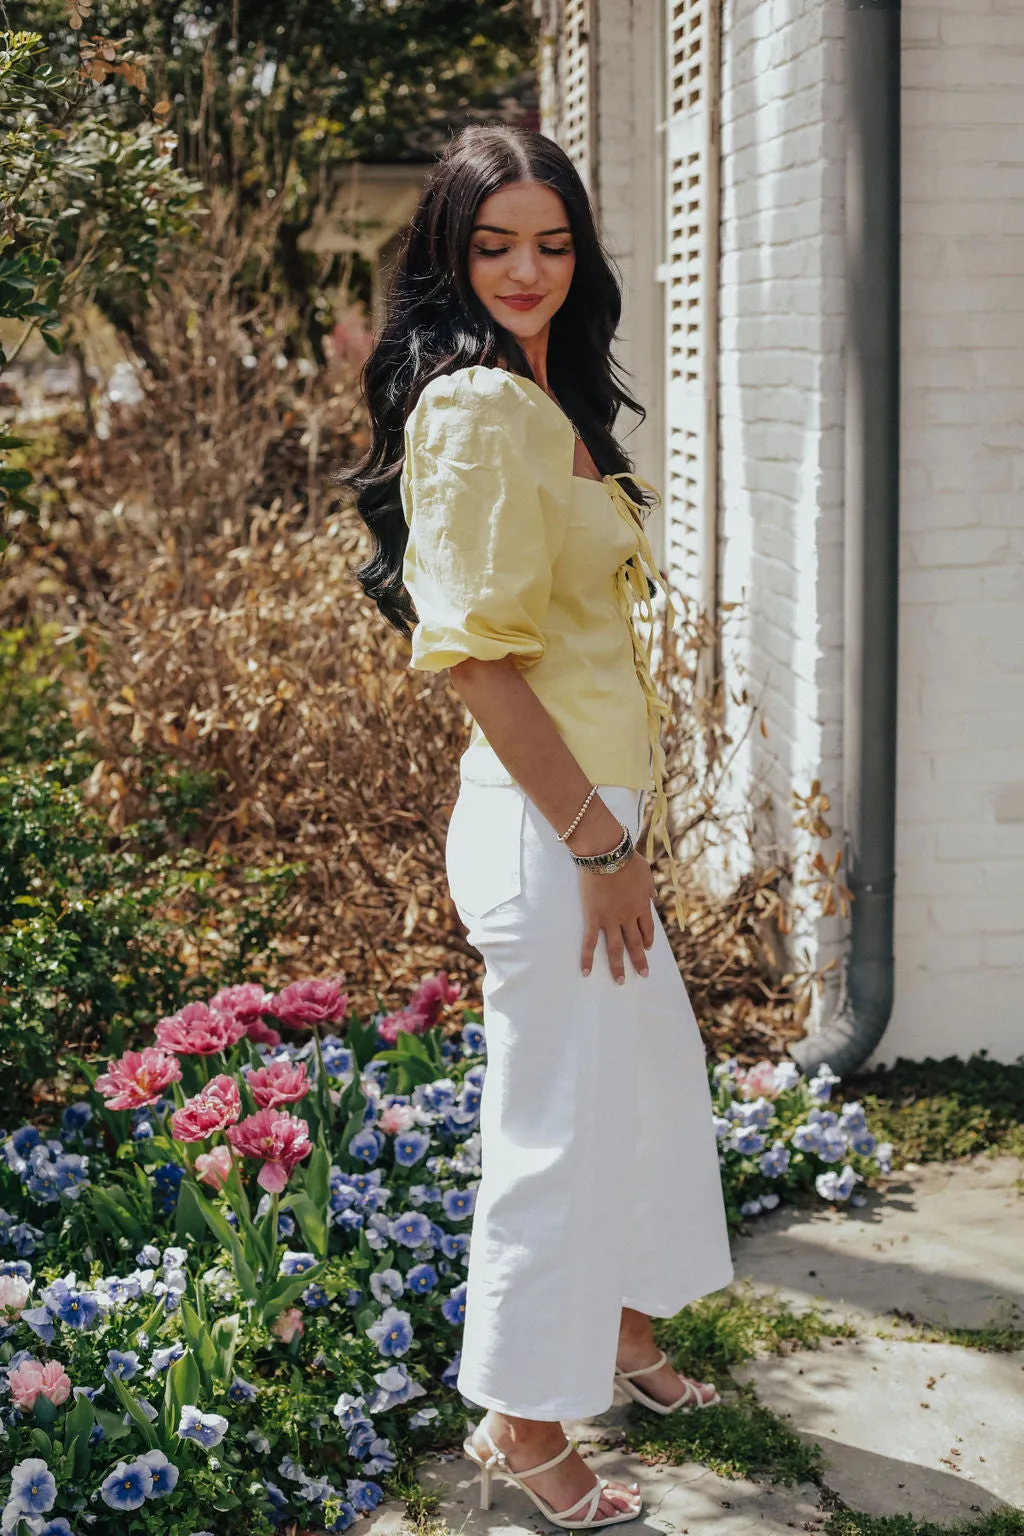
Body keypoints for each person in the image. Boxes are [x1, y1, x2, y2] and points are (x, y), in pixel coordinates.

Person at [347, 123, 733, 1530]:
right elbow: (476, 660)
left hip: (583, 814)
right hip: (551, 827)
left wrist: (611, 830)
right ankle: (523, 1419)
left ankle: (622, 1331)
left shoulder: (539, 391)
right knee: (556, 1133)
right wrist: (599, 848)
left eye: (553, 243)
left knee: (643, 1082)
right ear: (448, 254)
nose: (526, 269)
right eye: (494, 243)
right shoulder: (472, 411)